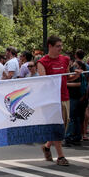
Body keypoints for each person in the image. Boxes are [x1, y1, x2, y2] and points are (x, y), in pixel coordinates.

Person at [37, 36, 76, 166]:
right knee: (57, 126)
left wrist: (76, 75)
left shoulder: (65, 60)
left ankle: (47, 146)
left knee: (64, 126)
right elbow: (44, 82)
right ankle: (61, 156)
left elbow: (68, 77)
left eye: (61, 46)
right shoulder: (42, 62)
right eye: (58, 46)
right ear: (50, 46)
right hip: (51, 99)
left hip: (65, 97)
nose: (61, 48)